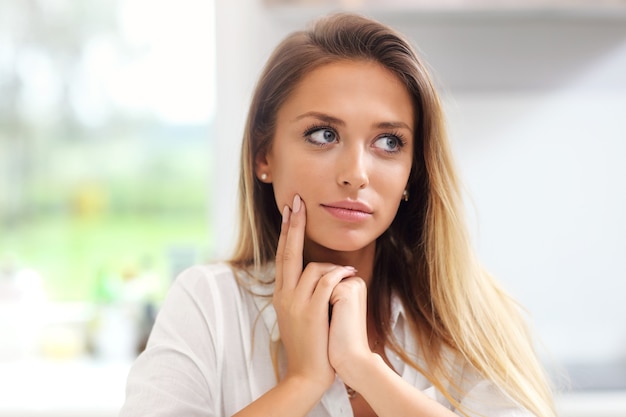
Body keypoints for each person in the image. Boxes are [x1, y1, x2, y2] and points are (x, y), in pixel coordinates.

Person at [119, 12, 555, 417]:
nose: (356, 175)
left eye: (388, 142)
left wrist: (362, 366)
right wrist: (303, 381)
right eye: (324, 134)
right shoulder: (209, 305)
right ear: (263, 155)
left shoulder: (470, 314)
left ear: (412, 172)